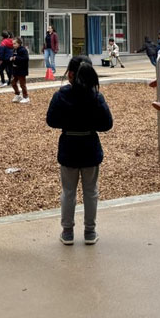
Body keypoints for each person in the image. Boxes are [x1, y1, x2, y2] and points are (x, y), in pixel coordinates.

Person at [45, 55, 113, 246]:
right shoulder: (95, 96)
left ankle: (67, 232)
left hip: (68, 146)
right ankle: (90, 232)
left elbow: (51, 120)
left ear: (70, 75)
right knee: (91, 191)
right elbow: (107, 124)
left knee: (68, 191)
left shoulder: (61, 95)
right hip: (90, 146)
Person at [10, 36, 30, 103]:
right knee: (13, 82)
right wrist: (11, 59)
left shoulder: (23, 50)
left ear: (19, 43)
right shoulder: (15, 50)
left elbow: (26, 59)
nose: (13, 45)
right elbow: (14, 57)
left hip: (21, 70)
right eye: (13, 44)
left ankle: (26, 97)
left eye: (15, 43)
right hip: (15, 70)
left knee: (22, 84)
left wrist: (16, 58)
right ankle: (17, 94)